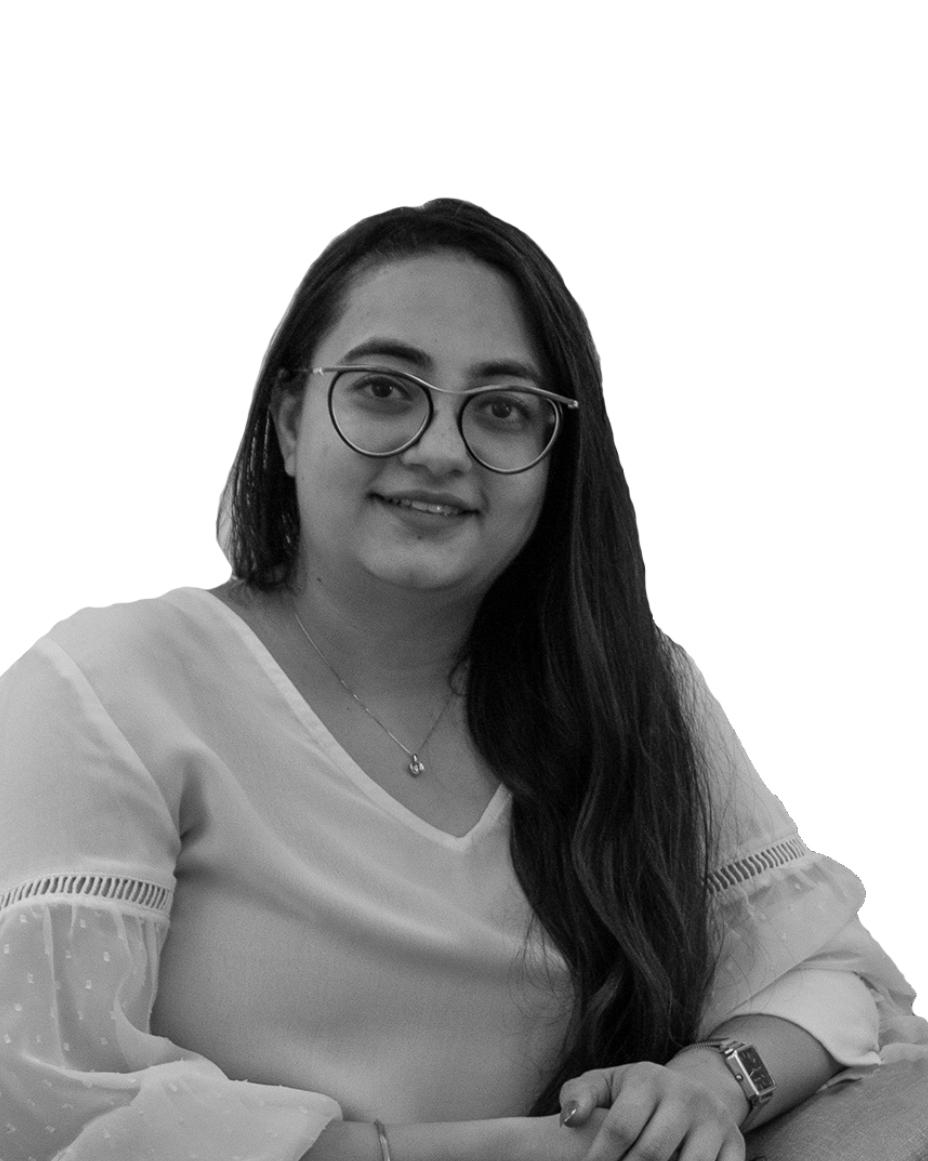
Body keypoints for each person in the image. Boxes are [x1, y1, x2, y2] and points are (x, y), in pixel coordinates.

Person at [0, 199, 924, 1161]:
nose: (441, 449)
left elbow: (832, 976)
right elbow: (43, 1105)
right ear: (288, 420)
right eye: (384, 390)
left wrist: (706, 1084)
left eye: (504, 409)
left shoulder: (628, 688)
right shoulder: (107, 689)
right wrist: (510, 1152)